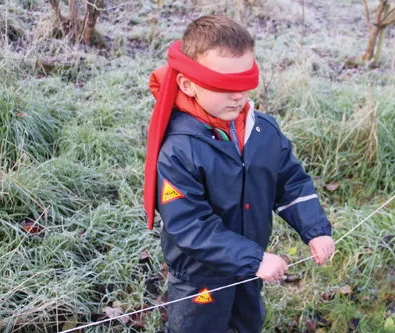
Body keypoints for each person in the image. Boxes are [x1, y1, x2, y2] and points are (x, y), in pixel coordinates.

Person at [143, 15, 335, 333]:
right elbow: (190, 225)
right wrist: (254, 258)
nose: (237, 95)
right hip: (201, 278)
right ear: (187, 84)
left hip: (250, 267)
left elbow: (291, 182)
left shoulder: (263, 131)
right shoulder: (179, 150)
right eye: (223, 85)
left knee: (247, 323)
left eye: (244, 83)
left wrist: (315, 229)